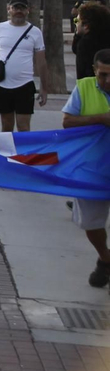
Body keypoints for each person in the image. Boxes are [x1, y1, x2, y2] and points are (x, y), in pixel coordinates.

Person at [64, 49, 110, 289]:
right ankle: (105, 257)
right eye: (103, 75)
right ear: (95, 71)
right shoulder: (83, 88)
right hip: (92, 170)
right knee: (91, 224)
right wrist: (101, 118)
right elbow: (67, 122)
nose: (108, 81)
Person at [0, 0, 47, 132]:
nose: (19, 11)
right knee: (6, 125)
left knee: (23, 126)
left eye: (22, 8)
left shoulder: (35, 32)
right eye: (16, 8)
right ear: (9, 9)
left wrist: (44, 88)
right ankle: (7, 153)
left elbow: (41, 62)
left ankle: (24, 153)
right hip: (2, 84)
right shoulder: (0, 28)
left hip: (24, 85)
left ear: (28, 11)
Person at [73, 3, 110, 81]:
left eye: (77, 21)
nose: (75, 23)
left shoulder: (85, 44)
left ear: (86, 25)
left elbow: (82, 74)